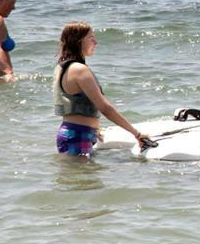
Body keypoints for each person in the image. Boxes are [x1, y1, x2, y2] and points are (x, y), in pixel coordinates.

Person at [54, 21, 154, 156]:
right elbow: (105, 108)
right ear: (78, 41)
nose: (96, 42)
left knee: (76, 176)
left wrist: (95, 128)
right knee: (82, 177)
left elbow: (76, 105)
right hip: (78, 136)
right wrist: (137, 134)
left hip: (74, 134)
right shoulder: (79, 69)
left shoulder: (63, 67)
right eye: (91, 38)